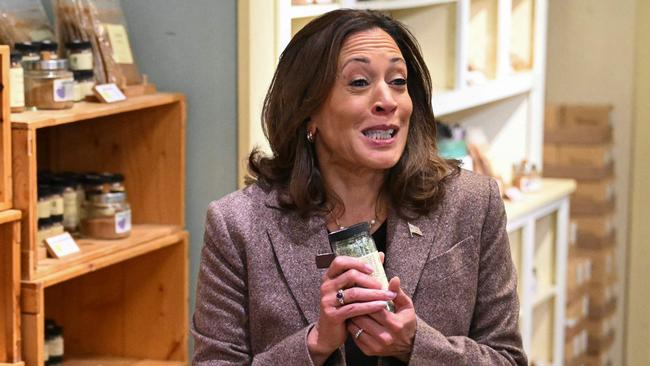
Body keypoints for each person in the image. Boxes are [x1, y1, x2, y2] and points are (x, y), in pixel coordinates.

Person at [192, 9, 526, 366]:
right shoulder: (238, 224)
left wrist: (416, 344)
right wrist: (315, 344)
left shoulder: (472, 203)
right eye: (359, 82)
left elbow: (507, 359)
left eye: (398, 81)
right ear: (309, 112)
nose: (388, 100)